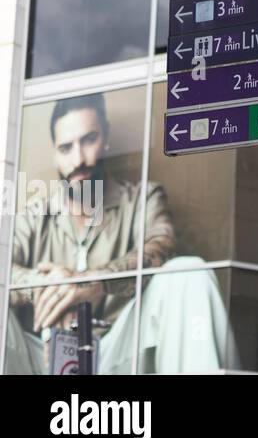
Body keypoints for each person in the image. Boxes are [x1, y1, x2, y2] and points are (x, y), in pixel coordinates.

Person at [5, 93, 235, 374]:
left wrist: (96, 282)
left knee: (188, 273)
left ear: (106, 140)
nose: (79, 159)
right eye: (66, 147)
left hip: (117, 354)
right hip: (39, 359)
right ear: (55, 153)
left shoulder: (142, 199)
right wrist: (47, 287)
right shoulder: (34, 215)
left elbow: (162, 246)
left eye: (89, 140)